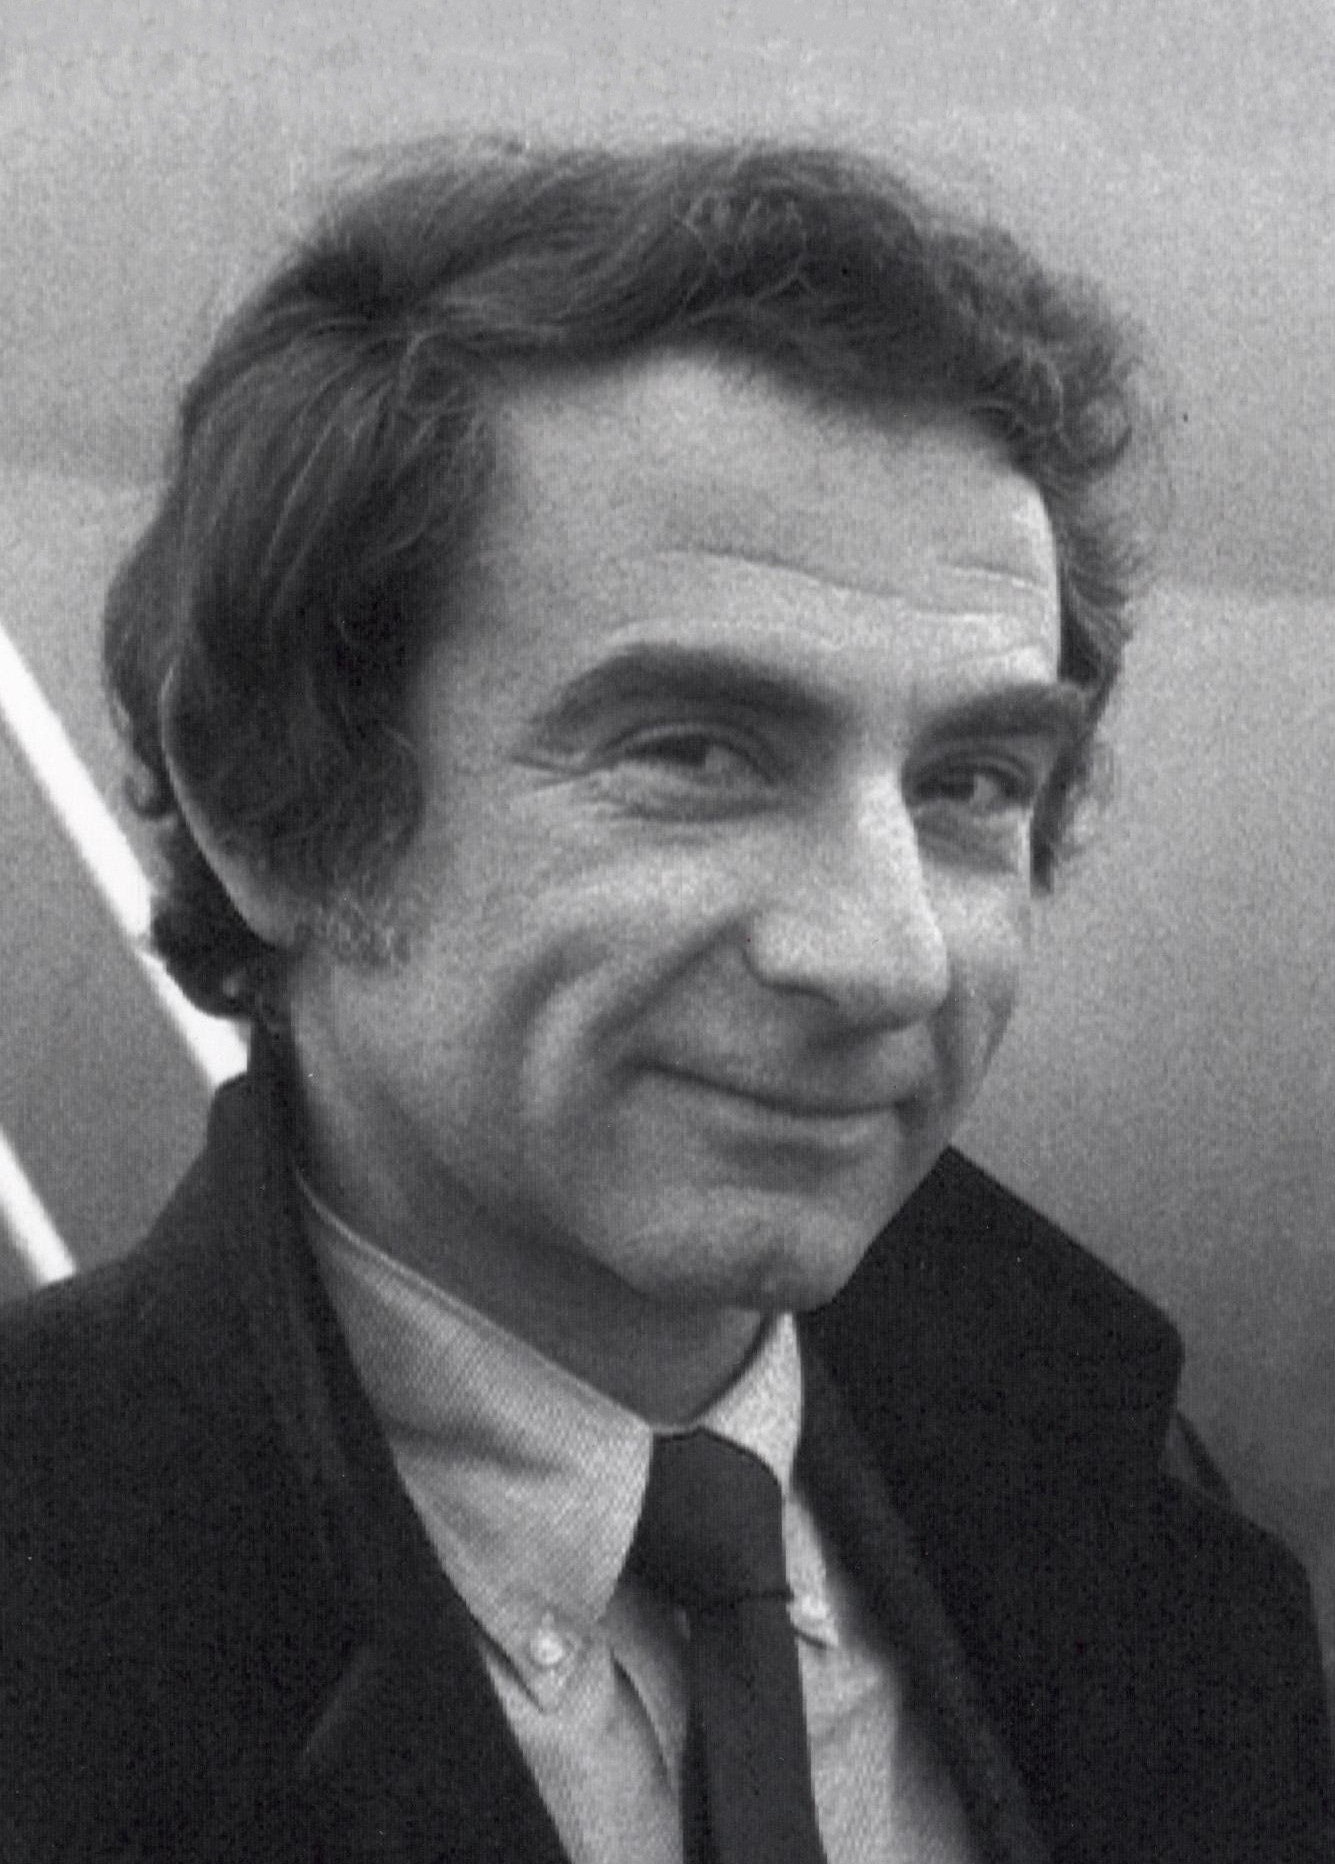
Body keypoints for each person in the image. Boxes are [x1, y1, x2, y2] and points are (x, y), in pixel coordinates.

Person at [0, 139, 1329, 1864]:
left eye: (972, 783)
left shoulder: (1145, 1537)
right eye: (696, 754)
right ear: (270, 808)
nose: (890, 957)